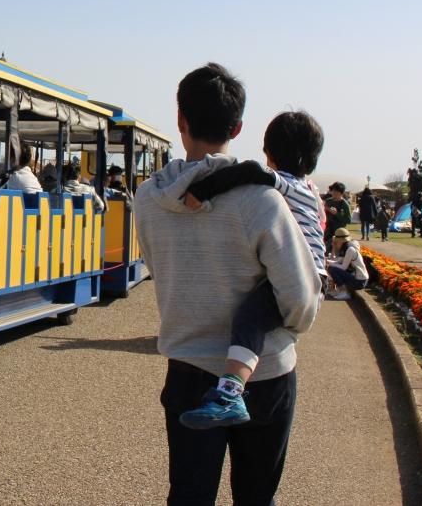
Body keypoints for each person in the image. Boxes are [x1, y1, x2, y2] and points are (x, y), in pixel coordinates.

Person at [134, 63, 319, 504]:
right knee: (256, 496)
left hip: (188, 368)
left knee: (189, 495)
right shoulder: (261, 200)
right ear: (237, 128)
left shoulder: (149, 199)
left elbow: (157, 267)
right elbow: (300, 298)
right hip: (266, 373)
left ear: (180, 119)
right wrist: (285, 328)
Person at [177, 109, 328, 429]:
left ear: (268, 152)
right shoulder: (309, 189)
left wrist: (202, 190)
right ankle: (232, 390)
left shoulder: (284, 183)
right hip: (313, 273)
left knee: (249, 319)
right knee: (255, 320)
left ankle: (230, 393)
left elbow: (248, 172)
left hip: (302, 274)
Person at [325, 228, 368, 300]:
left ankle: (344, 292)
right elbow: (338, 261)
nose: (335, 243)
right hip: (357, 278)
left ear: (340, 241)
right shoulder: (347, 248)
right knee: (332, 268)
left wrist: (330, 264)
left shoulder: (350, 250)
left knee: (332, 269)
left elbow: (343, 267)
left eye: (336, 241)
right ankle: (340, 290)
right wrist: (328, 261)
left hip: (360, 281)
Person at [323, 183, 350, 251]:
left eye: (335, 191)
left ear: (340, 193)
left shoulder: (344, 204)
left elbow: (348, 220)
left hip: (339, 234)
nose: (333, 193)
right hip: (328, 231)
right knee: (326, 250)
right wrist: (325, 209)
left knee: (337, 252)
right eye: (332, 191)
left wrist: (336, 214)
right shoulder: (328, 201)